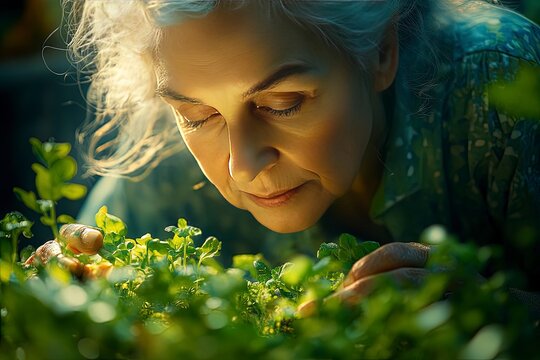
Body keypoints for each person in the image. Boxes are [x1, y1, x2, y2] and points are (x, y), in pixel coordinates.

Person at [35, 0, 539, 312]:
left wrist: (502, 314)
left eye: (283, 104)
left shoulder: (501, 87)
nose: (242, 165)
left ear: (381, 51)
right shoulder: (167, 160)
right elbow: (81, 282)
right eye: (197, 116)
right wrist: (65, 289)